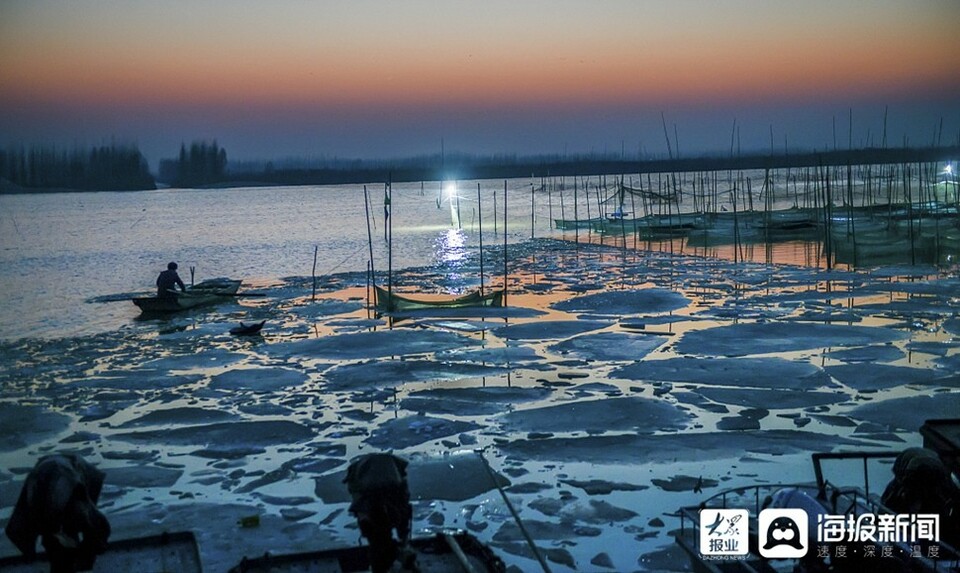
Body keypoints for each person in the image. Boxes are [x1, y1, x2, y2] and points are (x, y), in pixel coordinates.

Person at [5, 454, 111, 573]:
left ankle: (74, 560)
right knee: (59, 535)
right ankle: (68, 560)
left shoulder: (82, 504)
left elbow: (96, 525)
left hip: (74, 472)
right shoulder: (44, 497)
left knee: (71, 529)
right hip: (53, 474)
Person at [343, 453, 414, 573]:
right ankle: (388, 558)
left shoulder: (393, 474)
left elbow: (358, 501)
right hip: (372, 498)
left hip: (372, 498)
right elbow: (404, 503)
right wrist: (404, 536)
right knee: (379, 538)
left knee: (377, 540)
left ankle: (385, 561)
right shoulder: (394, 476)